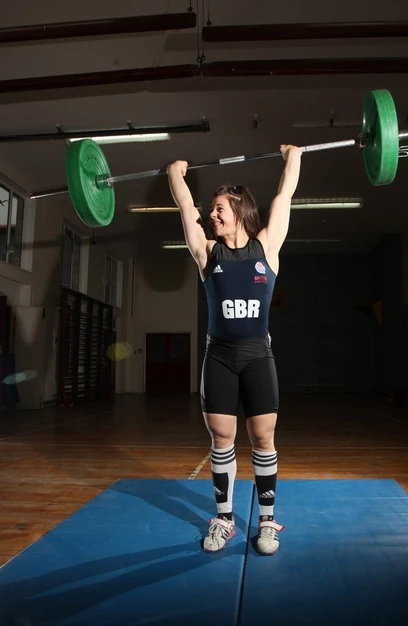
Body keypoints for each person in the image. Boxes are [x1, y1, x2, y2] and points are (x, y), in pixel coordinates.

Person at [167, 145, 301, 556]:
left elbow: (284, 198)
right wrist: (175, 171)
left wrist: (293, 157)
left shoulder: (267, 248)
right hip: (220, 357)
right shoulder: (208, 253)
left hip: (258, 356)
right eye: (211, 210)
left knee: (263, 436)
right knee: (221, 437)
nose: (213, 214)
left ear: (240, 210)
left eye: (220, 208)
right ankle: (224, 520)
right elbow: (185, 206)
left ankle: (266, 522)